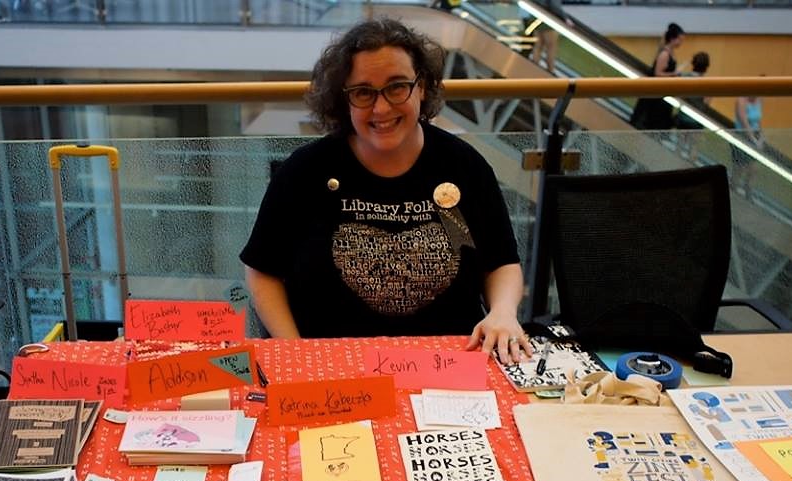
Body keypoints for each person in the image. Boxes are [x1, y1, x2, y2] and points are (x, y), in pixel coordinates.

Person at [240, 18, 534, 363]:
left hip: (450, 365)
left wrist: (502, 311)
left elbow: (501, 263)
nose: (381, 108)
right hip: (331, 369)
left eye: (397, 87)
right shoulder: (305, 171)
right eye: (363, 92)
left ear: (421, 86)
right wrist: (297, 350)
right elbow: (262, 271)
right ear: (343, 99)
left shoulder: (463, 166)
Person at [630, 23, 685, 131]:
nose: (681, 43)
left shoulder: (668, 53)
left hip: (660, 97)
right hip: (655, 100)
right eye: (680, 40)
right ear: (673, 39)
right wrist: (674, 74)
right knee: (652, 125)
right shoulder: (665, 54)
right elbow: (657, 73)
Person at [676, 51, 711, 160]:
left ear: (693, 64)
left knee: (679, 144)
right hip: (697, 119)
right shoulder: (708, 83)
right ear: (706, 67)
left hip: (683, 115)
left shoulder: (684, 77)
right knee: (694, 146)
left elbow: (676, 74)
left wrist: (685, 64)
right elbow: (707, 102)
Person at [732, 93, 764, 196]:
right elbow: (744, 123)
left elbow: (758, 121)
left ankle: (748, 191)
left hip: (754, 135)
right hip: (741, 135)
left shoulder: (759, 100)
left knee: (754, 167)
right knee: (740, 166)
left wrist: (761, 137)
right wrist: (754, 140)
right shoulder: (741, 101)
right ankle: (734, 187)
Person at [528, 0, 571, 75]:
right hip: (548, 20)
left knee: (538, 46)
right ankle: (550, 71)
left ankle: (533, 69)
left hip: (536, 17)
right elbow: (555, 6)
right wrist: (565, 18)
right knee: (551, 47)